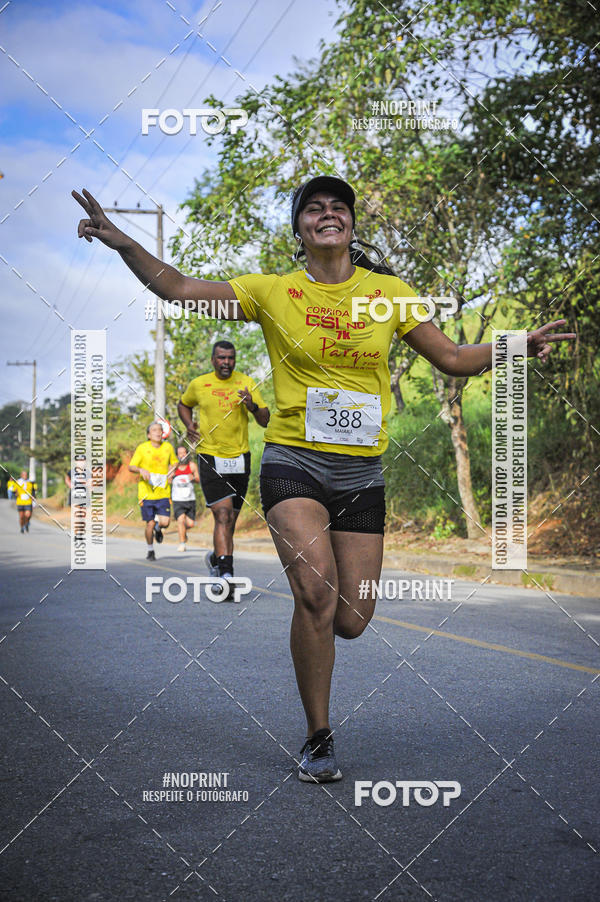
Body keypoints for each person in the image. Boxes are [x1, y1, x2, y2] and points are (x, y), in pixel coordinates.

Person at [73, 177, 575, 782]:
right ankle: (318, 735)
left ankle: (322, 648)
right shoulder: (271, 291)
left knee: (351, 619)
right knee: (314, 595)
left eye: (339, 208)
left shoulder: (389, 295)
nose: (328, 215)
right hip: (295, 463)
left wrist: (516, 345)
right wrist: (121, 240)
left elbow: (453, 358)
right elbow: (178, 288)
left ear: (352, 226)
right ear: (301, 229)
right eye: (314, 208)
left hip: (360, 470)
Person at [177, 341, 269, 587]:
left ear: (235, 359)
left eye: (230, 358)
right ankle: (226, 575)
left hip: (240, 458)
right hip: (211, 456)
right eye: (221, 358)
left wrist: (252, 406)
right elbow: (183, 404)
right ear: (213, 360)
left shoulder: (246, 383)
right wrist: (188, 425)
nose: (226, 362)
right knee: (223, 514)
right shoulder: (199, 384)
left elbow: (265, 420)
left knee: (230, 520)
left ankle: (217, 559)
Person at [128, 422, 178, 560]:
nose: (158, 432)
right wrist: (140, 469)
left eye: (160, 430)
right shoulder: (142, 448)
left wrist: (171, 471)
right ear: (149, 435)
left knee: (166, 522)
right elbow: (131, 466)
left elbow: (174, 462)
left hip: (163, 492)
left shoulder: (168, 447)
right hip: (146, 493)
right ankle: (150, 550)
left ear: (163, 433)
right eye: (154, 430)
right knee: (149, 523)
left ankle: (158, 528)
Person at [169, 445, 200, 552]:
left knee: (190, 524)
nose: (182, 455)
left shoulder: (192, 466)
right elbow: (167, 481)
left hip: (190, 498)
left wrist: (194, 478)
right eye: (180, 453)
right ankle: (182, 543)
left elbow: (198, 479)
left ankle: (182, 533)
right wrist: (171, 474)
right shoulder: (174, 466)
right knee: (180, 520)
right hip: (178, 499)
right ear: (177, 455)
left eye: (184, 453)